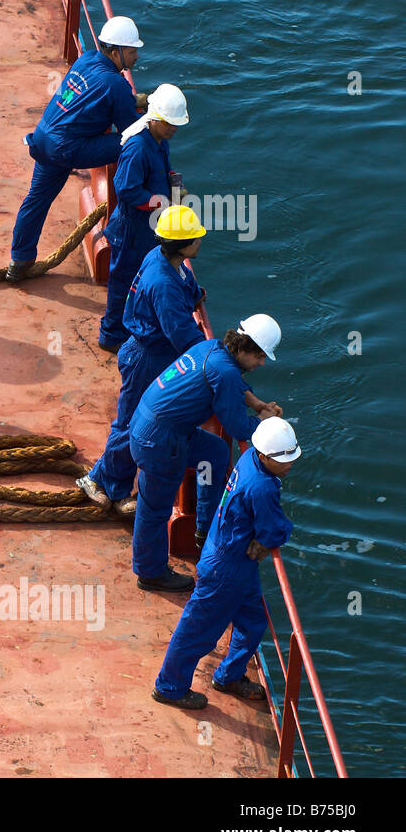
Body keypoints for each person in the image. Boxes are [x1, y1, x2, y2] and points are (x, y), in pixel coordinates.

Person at [152, 417, 301, 710]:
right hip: (227, 568)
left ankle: (230, 676)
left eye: (291, 457)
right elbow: (275, 529)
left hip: (230, 557)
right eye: (282, 459)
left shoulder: (248, 459)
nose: (289, 464)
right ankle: (169, 688)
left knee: (253, 619)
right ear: (263, 455)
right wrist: (269, 538)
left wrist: (263, 540)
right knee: (197, 631)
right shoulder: (263, 487)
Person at [127, 315, 284, 592]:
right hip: (160, 442)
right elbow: (237, 426)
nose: (261, 364)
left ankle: (205, 528)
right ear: (246, 349)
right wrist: (265, 422)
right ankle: (150, 573)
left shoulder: (211, 348)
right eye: (260, 358)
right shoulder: (225, 373)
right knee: (154, 509)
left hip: (158, 425)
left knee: (214, 453)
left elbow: (236, 385)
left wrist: (258, 405)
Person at [77, 205, 206, 515]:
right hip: (147, 358)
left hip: (152, 353)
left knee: (135, 421)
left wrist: (195, 295)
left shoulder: (164, 259)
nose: (201, 240)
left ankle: (114, 485)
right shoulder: (163, 284)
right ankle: (99, 481)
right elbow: (182, 333)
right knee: (132, 424)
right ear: (185, 245)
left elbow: (187, 289)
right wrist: (210, 358)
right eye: (197, 237)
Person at [6, 16, 146, 282]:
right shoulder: (117, 84)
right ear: (116, 52)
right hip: (67, 148)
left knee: (36, 200)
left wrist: (131, 100)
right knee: (137, 142)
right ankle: (123, 217)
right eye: (132, 51)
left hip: (43, 138)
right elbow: (130, 129)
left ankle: (19, 261)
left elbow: (92, 97)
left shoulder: (86, 60)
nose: (137, 56)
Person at [97, 84, 190, 352]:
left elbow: (162, 170)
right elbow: (126, 189)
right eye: (170, 124)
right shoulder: (138, 148)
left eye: (177, 124)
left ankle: (130, 327)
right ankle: (111, 335)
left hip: (147, 226)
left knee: (137, 277)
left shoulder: (159, 140)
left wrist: (174, 186)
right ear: (155, 118)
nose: (175, 129)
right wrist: (160, 202)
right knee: (123, 279)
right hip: (131, 228)